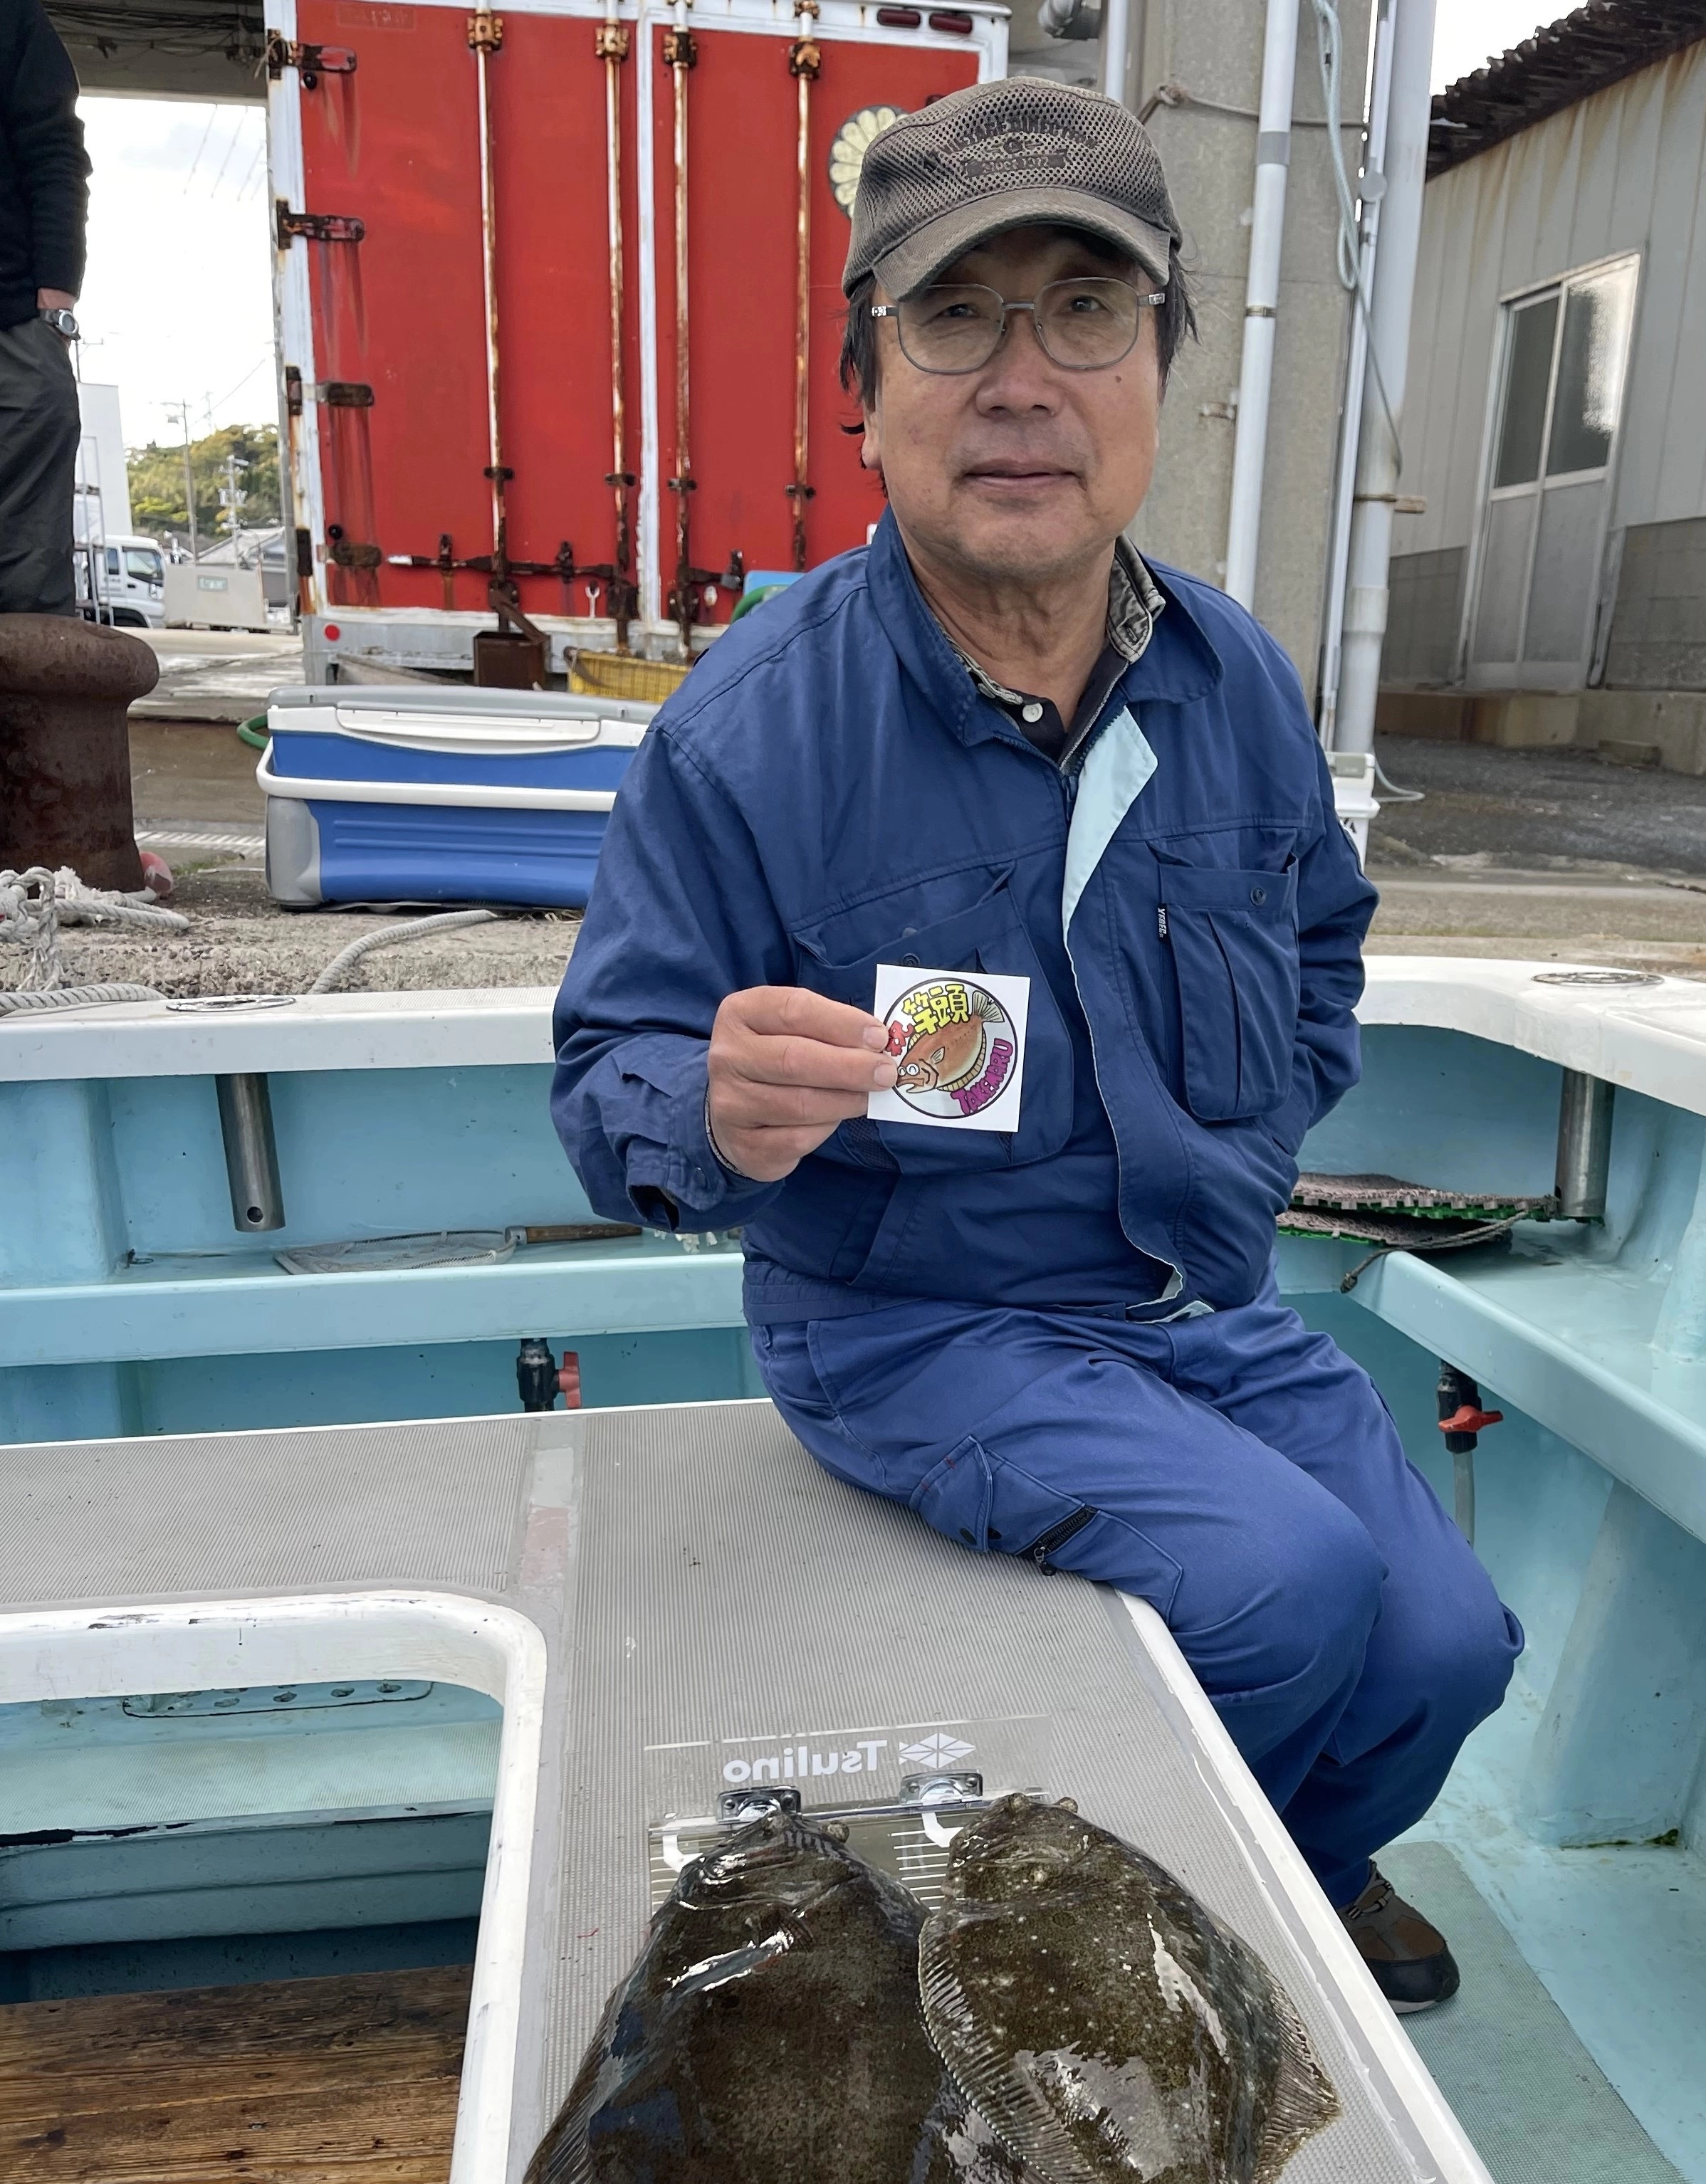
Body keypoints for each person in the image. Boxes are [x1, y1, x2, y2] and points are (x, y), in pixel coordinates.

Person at [553, 79, 1521, 2008]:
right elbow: (612, 1079)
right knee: (1285, 1588)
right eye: (952, 315)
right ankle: (1065, 1990)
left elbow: (1320, 941)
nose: (1021, 377)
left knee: (1444, 1645)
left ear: (1158, 369)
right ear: (866, 382)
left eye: (1084, 310)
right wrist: (710, 1106)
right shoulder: (750, 728)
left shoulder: (1228, 676)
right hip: (912, 1322)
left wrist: (1247, 1152)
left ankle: (1295, 1866)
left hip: (1192, 1298)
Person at [0, 0, 87, 616]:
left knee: (45, 409)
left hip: (9, 311)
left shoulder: (12, 20)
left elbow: (56, 153)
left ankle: (29, 702)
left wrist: (56, 296)